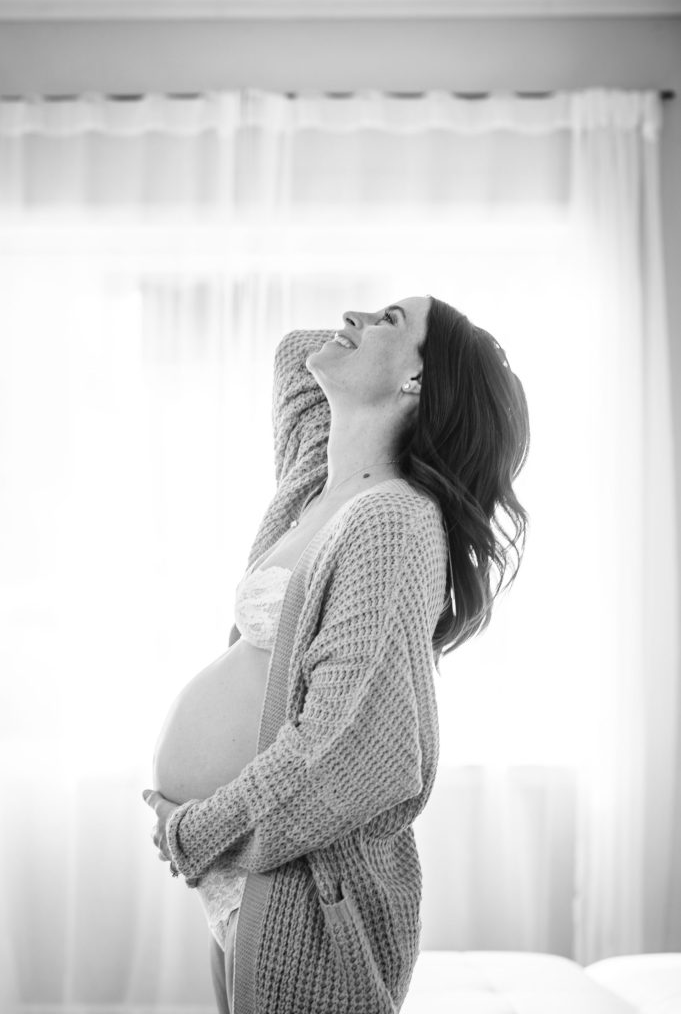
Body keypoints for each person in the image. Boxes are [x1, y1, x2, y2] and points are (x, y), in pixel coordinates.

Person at [144, 295, 530, 1014]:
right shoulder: (315, 487)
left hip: (305, 885)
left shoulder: (394, 521)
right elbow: (299, 350)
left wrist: (203, 829)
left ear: (419, 383)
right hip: (253, 873)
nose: (353, 314)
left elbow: (348, 750)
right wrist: (389, 358)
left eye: (387, 318)